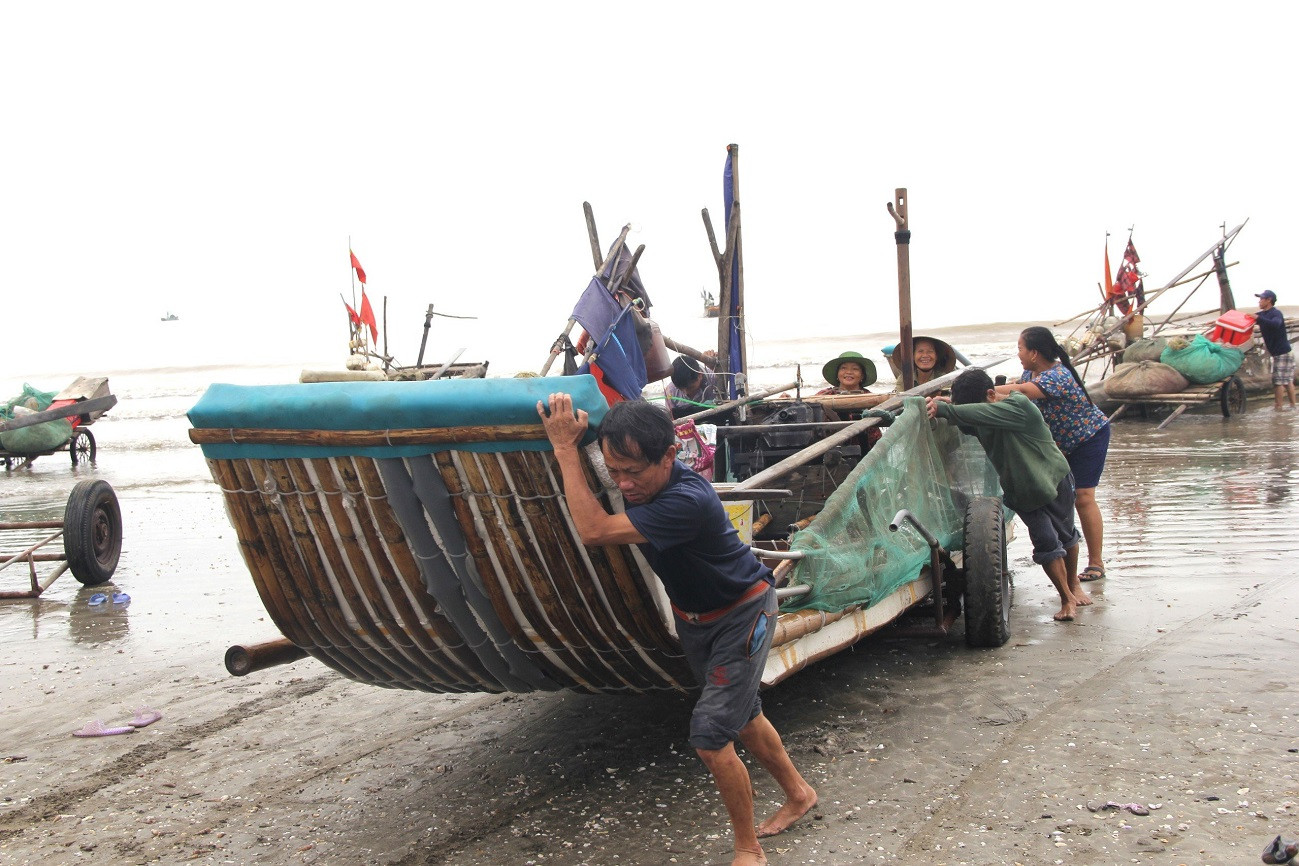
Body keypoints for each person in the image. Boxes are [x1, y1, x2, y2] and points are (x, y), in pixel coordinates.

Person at [537, 395, 817, 866]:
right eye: (613, 472)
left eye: (634, 472)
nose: (624, 484)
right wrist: (580, 438)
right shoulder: (638, 481)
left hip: (743, 613)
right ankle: (799, 793)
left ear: (670, 455)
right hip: (696, 619)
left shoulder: (687, 500)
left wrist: (564, 449)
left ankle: (748, 850)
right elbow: (607, 472)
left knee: (710, 738)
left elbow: (594, 531)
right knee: (744, 715)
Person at [927, 369, 1092, 621]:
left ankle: (1074, 584)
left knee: (1066, 534)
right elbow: (968, 416)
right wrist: (943, 405)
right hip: (1021, 490)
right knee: (1046, 542)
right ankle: (1066, 597)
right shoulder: (978, 416)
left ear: (991, 394)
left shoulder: (1020, 406)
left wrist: (947, 409)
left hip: (1054, 479)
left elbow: (974, 413)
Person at [994, 326, 1112, 584]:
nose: (1018, 354)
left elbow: (1024, 392)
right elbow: (1018, 395)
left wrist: (989, 391)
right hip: (1058, 445)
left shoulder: (1058, 376)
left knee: (1083, 497)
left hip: (1088, 437)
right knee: (1058, 497)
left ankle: (1096, 562)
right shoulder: (1030, 372)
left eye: (1020, 348)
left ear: (1034, 353)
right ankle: (1066, 555)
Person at [1255, 290, 1296, 410]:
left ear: (1269, 300)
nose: (1259, 301)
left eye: (1261, 299)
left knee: (1278, 382)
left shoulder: (1276, 313)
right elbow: (1246, 318)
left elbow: (1275, 324)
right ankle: (1293, 407)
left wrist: (1258, 318)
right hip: (1282, 352)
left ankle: (1278, 408)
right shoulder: (1262, 314)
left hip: (1282, 353)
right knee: (1287, 381)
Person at [888, 336, 957, 388]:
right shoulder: (904, 379)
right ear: (912, 356)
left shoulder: (944, 379)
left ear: (936, 356)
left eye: (930, 351)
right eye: (920, 351)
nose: (925, 355)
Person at [666, 353, 718, 418]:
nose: (686, 393)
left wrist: (716, 368)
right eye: (680, 389)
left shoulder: (713, 379)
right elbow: (670, 418)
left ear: (700, 375)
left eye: (690, 388)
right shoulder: (671, 391)